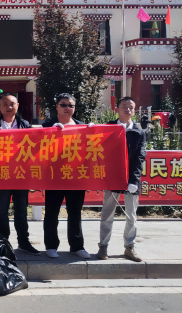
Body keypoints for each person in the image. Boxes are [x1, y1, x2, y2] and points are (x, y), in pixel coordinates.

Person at [0, 93, 40, 254]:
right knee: (2, 211)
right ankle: (3, 243)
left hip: (20, 175)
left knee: (21, 211)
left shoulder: (25, 125)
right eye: (5, 104)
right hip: (2, 174)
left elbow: (32, 148)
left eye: (12, 104)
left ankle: (23, 242)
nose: (9, 107)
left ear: (17, 106)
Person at [97, 97, 146, 262]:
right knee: (107, 213)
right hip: (112, 178)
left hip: (131, 179)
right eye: (124, 106)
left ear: (134, 110)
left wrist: (134, 181)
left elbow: (139, 158)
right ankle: (103, 246)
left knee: (131, 215)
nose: (128, 110)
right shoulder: (109, 128)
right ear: (117, 109)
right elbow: (100, 151)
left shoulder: (139, 132)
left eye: (131, 107)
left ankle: (129, 247)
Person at [42, 93, 90, 259]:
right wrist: (51, 132)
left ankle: (77, 246)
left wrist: (94, 132)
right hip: (54, 176)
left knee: (75, 212)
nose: (67, 108)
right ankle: (51, 245)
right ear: (57, 107)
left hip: (76, 176)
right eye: (63, 105)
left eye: (71, 105)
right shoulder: (47, 126)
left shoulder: (82, 127)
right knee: (51, 212)